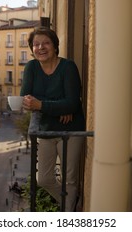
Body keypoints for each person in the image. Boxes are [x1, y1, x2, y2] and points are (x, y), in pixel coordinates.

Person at [20, 26, 86, 211]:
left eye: (46, 43)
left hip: (71, 130)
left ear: (55, 46)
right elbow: (26, 99)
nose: (41, 47)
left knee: (69, 178)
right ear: (32, 49)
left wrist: (42, 105)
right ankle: (70, 202)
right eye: (36, 44)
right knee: (44, 179)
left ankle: (68, 213)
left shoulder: (68, 67)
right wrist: (59, 106)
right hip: (46, 130)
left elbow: (72, 103)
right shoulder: (31, 67)